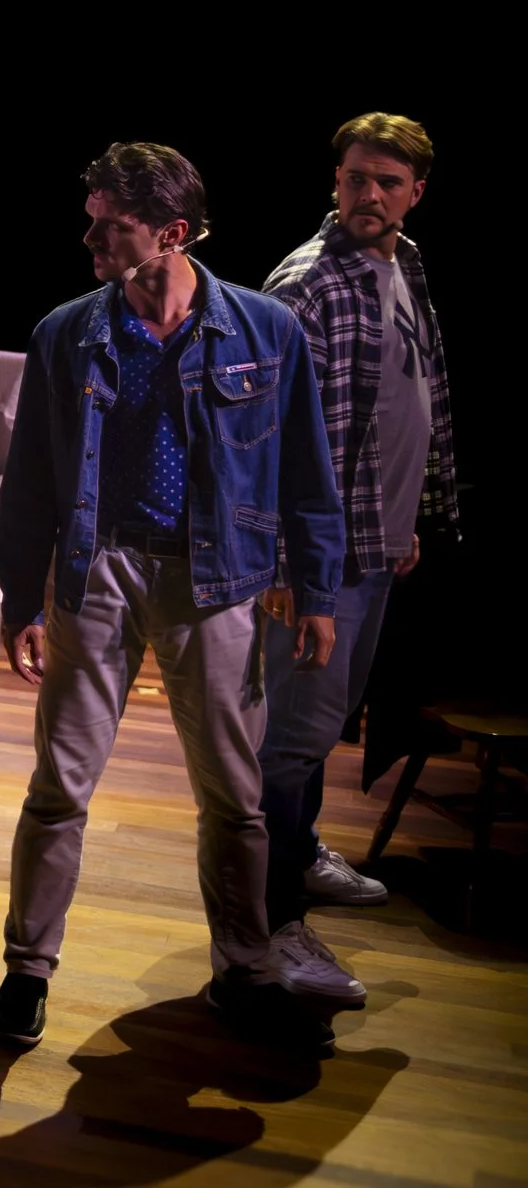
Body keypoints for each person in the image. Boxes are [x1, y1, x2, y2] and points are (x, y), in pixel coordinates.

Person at [0, 143, 344, 1057]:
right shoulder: (68, 331)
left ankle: (246, 968)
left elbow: (306, 469)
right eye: (94, 217)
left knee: (235, 795)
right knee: (59, 786)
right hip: (97, 571)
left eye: (114, 224)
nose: (91, 236)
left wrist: (317, 586)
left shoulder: (265, 331)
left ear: (172, 234)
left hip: (217, 580)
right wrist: (23, 595)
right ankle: (27, 972)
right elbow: (29, 481)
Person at [255, 114, 459, 1004]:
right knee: (293, 735)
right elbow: (264, 438)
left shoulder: (403, 265)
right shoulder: (308, 284)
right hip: (318, 556)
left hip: (375, 541)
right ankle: (266, 919)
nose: (369, 195)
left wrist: (411, 513)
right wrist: (288, 566)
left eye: (388, 182)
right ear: (334, 182)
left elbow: (407, 402)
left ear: (416, 190)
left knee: (321, 730)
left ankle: (295, 859)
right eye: (355, 179)